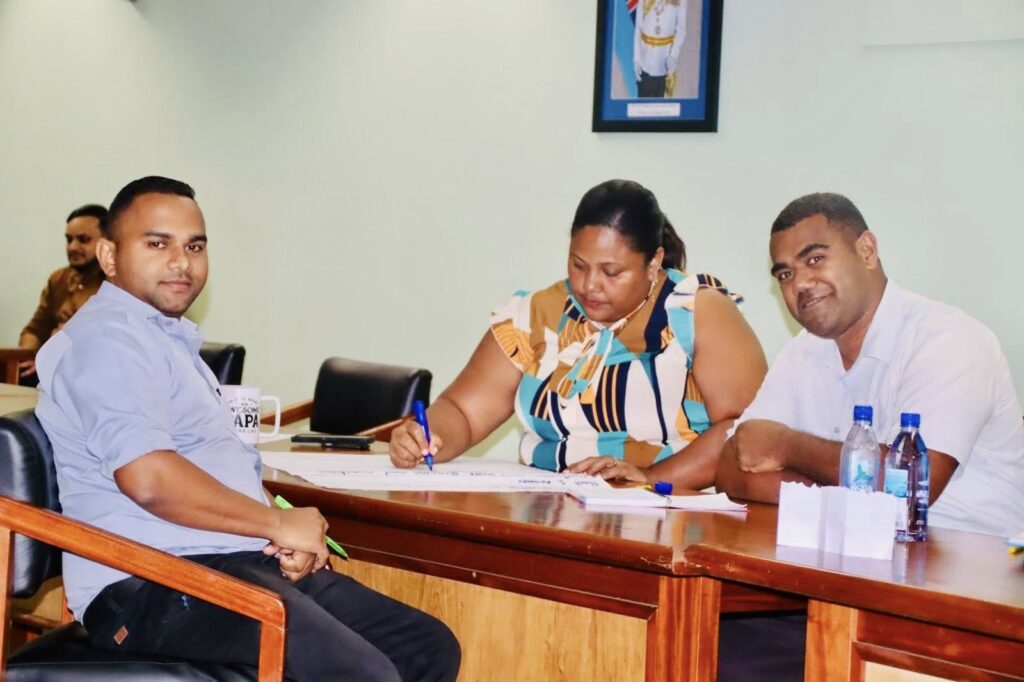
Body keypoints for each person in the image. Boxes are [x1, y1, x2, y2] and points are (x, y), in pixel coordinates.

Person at [34, 176, 460, 681]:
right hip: (149, 581)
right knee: (358, 672)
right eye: (158, 244)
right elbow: (148, 478)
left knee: (425, 647)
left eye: (195, 246)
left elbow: (213, 465)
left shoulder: (163, 338)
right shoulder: (107, 341)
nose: (181, 262)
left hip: (227, 557)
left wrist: (277, 535)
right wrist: (275, 524)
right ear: (109, 255)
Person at [390, 179, 767, 491]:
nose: (589, 285)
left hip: (666, 514)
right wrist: (425, 437)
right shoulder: (535, 315)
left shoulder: (696, 311)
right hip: (546, 510)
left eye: (611, 272)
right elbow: (463, 412)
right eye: (578, 265)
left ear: (653, 262)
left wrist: (649, 477)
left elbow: (744, 429)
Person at [716, 192, 1024, 538]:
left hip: (968, 556)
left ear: (866, 251)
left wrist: (786, 446)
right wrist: (848, 497)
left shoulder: (949, 340)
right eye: (785, 274)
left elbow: (909, 487)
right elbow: (730, 467)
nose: (799, 283)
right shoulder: (801, 352)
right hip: (848, 549)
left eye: (815, 259)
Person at [17, 203, 107, 382]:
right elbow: (34, 330)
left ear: (107, 243)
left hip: (91, 370)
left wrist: (54, 358)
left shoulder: (117, 280)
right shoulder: (59, 279)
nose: (73, 247)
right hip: (51, 368)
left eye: (83, 239)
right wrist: (28, 358)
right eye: (69, 239)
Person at [633, 0, 687, 98]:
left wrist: (673, 56)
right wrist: (637, 59)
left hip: (663, 62)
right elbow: (638, 30)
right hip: (645, 61)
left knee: (661, 102)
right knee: (643, 102)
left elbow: (681, 31)